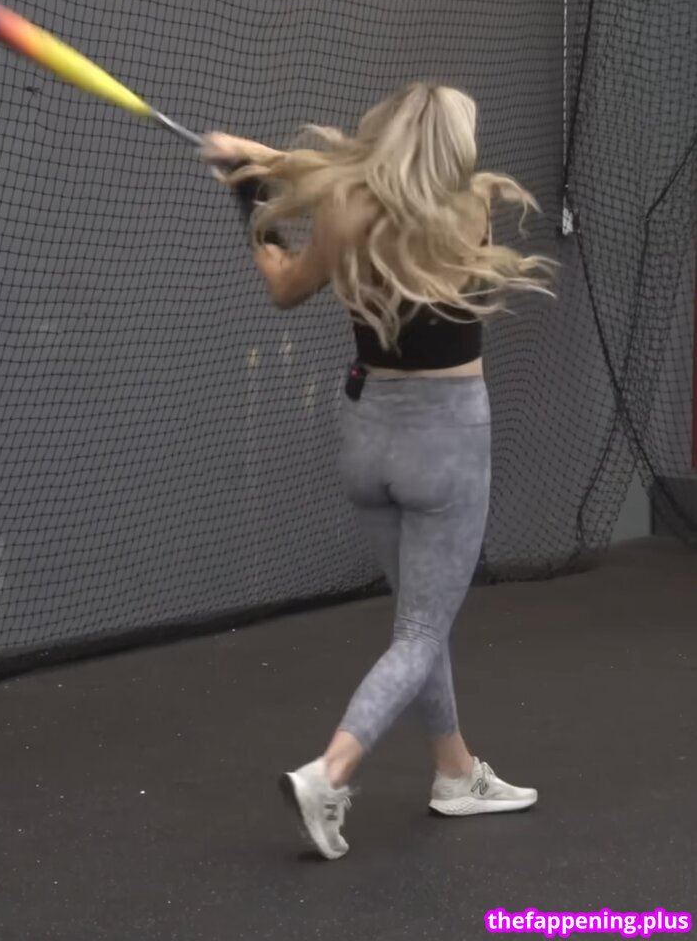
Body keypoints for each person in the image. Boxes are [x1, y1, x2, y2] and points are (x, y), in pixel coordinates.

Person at [202, 82, 554, 861]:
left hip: (367, 434)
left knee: (418, 625)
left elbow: (287, 284)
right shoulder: (474, 205)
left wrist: (251, 196)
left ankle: (455, 773)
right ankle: (328, 773)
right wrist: (256, 166)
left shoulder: (343, 210)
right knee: (422, 628)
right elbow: (367, 179)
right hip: (446, 440)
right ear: (454, 150)